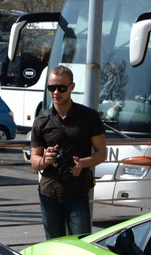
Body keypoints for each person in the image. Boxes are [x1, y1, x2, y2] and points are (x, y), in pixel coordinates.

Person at [29, 64, 107, 240]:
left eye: (61, 88)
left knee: (82, 245)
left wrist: (83, 163)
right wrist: (45, 160)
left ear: (72, 87)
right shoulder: (41, 121)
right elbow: (34, 160)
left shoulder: (89, 117)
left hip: (77, 192)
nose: (56, 92)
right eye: (52, 88)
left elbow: (102, 153)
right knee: (53, 245)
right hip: (49, 192)